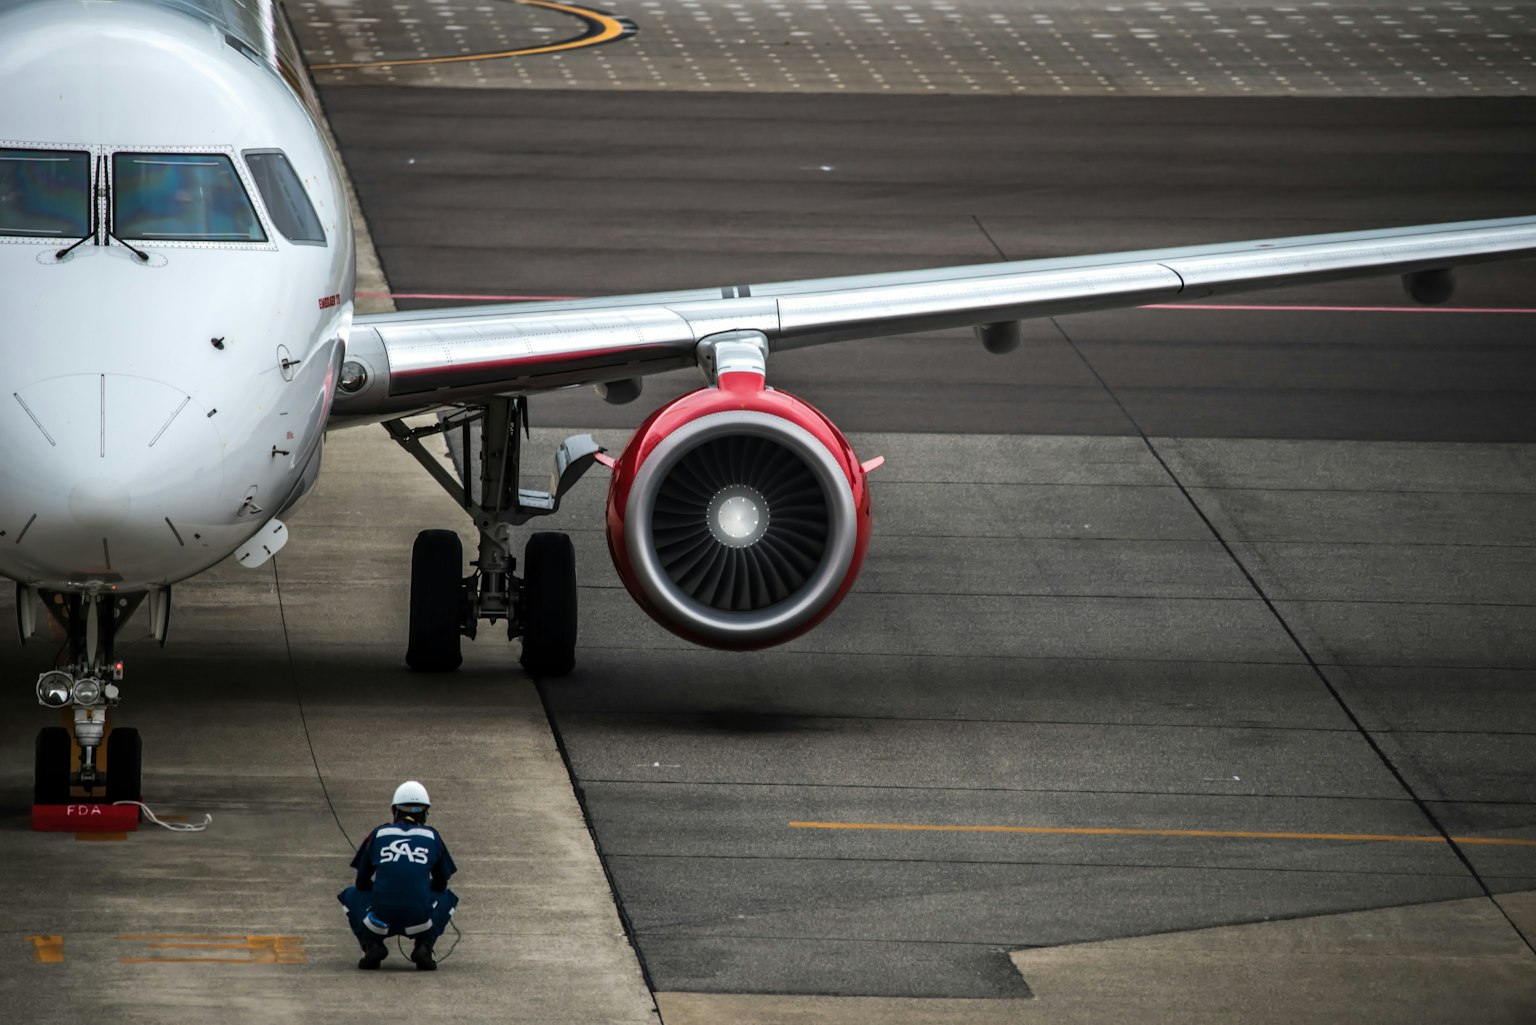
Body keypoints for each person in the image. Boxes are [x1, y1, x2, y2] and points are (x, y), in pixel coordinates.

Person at [337, 781, 459, 970]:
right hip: (421, 921)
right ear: (425, 813)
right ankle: (424, 946)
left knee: (350, 895)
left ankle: (372, 945)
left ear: (395, 811)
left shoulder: (378, 834)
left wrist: (382, 890)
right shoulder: (432, 836)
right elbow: (442, 883)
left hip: (379, 920)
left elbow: (361, 882)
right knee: (448, 898)